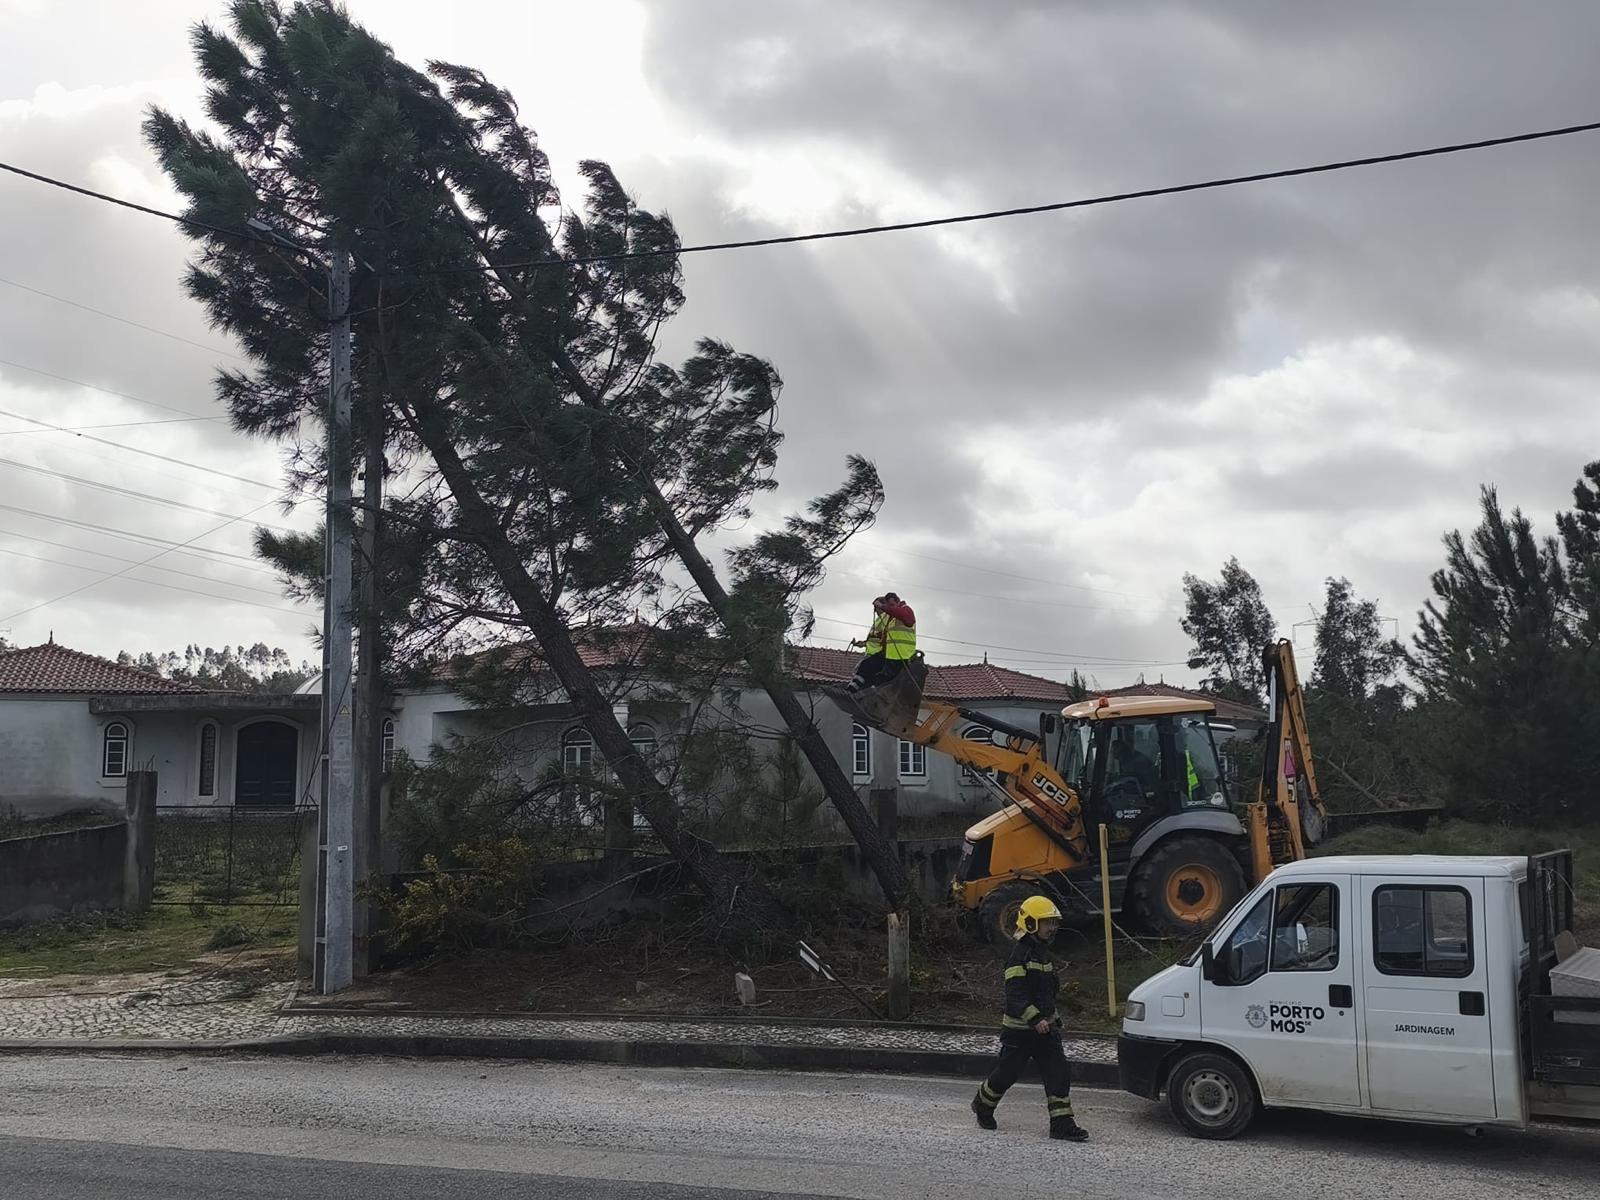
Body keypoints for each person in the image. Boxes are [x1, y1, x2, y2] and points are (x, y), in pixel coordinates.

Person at [971, 895, 1089, 1141]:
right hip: (1020, 1032)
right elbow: (1015, 996)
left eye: (1054, 923)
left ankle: (1061, 1124)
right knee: (1007, 1073)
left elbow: (1046, 993)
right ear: (1031, 923)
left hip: (1045, 1031)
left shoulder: (1042, 954)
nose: (1052, 927)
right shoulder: (1019, 956)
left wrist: (1053, 1018)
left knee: (1058, 1073)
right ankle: (983, 1104)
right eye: (1047, 922)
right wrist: (1035, 1019)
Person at [846, 592, 916, 693]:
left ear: (898, 602)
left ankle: (869, 694)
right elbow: (884, 636)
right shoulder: (889, 617)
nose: (889, 608)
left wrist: (883, 606)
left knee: (883, 677)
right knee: (867, 665)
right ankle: (852, 690)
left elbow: (908, 620)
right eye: (888, 605)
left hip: (902, 654)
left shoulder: (906, 610)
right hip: (888, 653)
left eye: (892, 605)